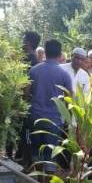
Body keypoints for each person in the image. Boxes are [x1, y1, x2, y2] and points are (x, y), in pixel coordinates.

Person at [28, 39, 73, 172]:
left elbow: (26, 93)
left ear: (45, 52)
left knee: (36, 149)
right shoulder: (64, 75)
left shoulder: (34, 71)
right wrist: (68, 120)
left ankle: (37, 179)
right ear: (60, 54)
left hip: (35, 116)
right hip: (54, 119)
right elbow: (69, 99)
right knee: (51, 151)